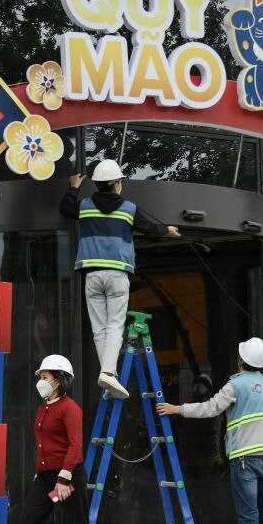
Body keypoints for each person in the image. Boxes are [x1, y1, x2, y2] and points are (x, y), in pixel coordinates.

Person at [60, 159, 180, 399]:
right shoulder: (128, 209)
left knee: (99, 328)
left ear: (98, 184)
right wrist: (168, 231)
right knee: (115, 324)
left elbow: (65, 208)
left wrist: (74, 186)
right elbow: (150, 228)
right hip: (117, 273)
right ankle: (108, 373)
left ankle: (108, 374)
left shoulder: (85, 205)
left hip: (92, 272)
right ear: (116, 184)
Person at [156, 338, 263, 524]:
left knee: (248, 514)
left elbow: (210, 408)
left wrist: (178, 409)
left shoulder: (236, 386)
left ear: (241, 359)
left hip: (244, 459)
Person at [21, 355, 91, 524]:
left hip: (69, 477)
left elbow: (75, 445)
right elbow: (43, 443)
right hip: (45, 478)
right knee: (28, 522)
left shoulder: (70, 408)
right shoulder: (42, 408)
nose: (40, 382)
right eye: (40, 377)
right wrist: (39, 470)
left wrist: (64, 478)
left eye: (45, 378)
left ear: (58, 381)